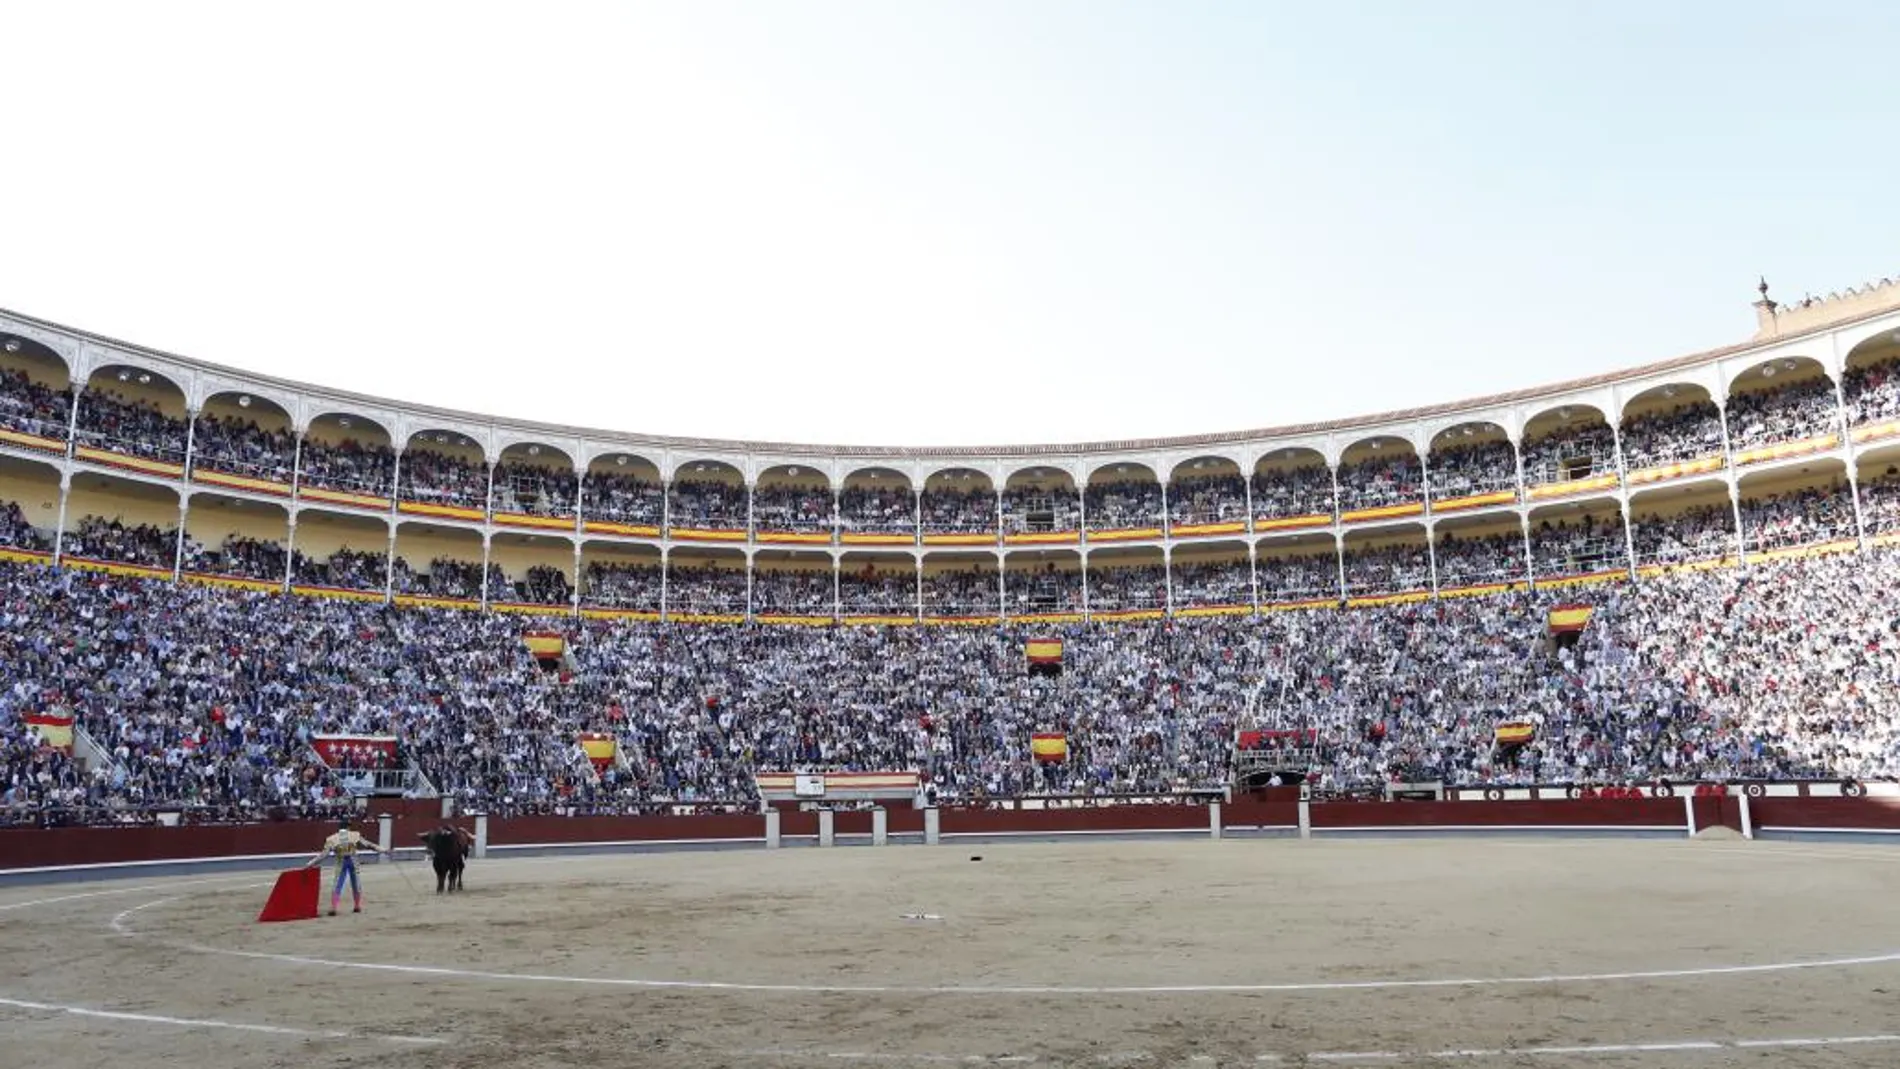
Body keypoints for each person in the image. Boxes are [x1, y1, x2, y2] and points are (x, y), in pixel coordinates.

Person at [306, 817, 382, 916]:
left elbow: (323, 855)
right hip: (353, 861)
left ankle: (334, 907)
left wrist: (311, 863)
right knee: (356, 883)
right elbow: (368, 845)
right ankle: (357, 906)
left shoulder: (332, 838)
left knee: (337, 884)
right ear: (348, 827)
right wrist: (381, 849)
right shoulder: (354, 835)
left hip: (341, 862)